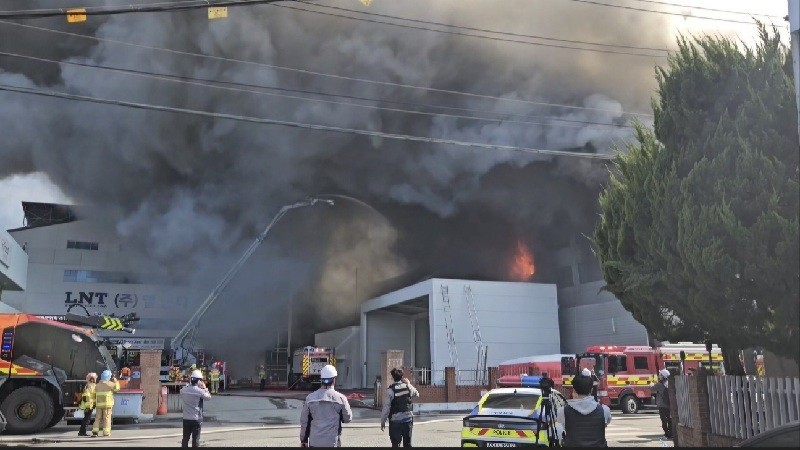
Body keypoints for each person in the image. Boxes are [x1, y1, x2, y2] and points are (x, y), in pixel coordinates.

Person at [299, 365, 353, 447]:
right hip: (332, 442)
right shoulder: (341, 399)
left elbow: (304, 422)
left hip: (314, 442)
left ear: (321, 380)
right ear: (334, 380)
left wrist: (304, 440)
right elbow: (347, 419)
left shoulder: (310, 398)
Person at [556, 368, 612, 447]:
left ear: (574, 391)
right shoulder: (604, 410)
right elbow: (605, 423)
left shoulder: (562, 411)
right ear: (591, 390)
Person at [380, 368, 419, 447]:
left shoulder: (390, 390)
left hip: (395, 421)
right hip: (408, 420)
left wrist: (383, 421)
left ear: (392, 377)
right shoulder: (407, 387)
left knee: (395, 445)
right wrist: (408, 383)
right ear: (402, 377)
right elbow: (417, 394)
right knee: (407, 444)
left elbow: (386, 407)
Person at [180, 369, 212, 447]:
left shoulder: (184, 390)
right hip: (196, 419)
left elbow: (181, 391)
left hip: (186, 418)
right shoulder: (199, 391)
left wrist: (188, 385)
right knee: (196, 439)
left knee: (185, 438)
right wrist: (204, 388)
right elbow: (208, 398)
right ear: (198, 381)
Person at [92, 369, 120, 437]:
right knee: (106, 418)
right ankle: (106, 432)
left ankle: (95, 431)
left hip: (99, 405)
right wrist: (116, 381)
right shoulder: (110, 384)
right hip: (107, 405)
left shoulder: (97, 385)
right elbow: (117, 389)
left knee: (97, 418)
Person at [653, 368, 672, 439]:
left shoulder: (659, 384)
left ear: (663, 376)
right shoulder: (669, 383)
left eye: (660, 375)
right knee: (669, 419)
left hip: (661, 405)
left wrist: (652, 384)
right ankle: (671, 433)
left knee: (664, 420)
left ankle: (667, 434)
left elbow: (651, 389)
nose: (659, 376)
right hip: (668, 404)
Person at [77, 372, 97, 436]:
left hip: (88, 405)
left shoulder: (88, 385)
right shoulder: (91, 385)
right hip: (89, 405)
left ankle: (82, 431)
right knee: (87, 419)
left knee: (86, 418)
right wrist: (90, 403)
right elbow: (87, 395)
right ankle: (82, 432)